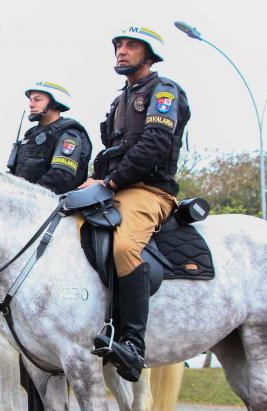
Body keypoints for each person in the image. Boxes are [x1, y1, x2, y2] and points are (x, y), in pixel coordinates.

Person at [81, 25, 191, 382]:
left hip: (149, 190)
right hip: (114, 187)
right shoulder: (119, 100)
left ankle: (132, 342)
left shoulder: (164, 91)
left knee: (125, 246)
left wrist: (111, 182)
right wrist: (95, 180)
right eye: (118, 46)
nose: (122, 51)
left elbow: (155, 145)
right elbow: (114, 149)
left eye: (131, 46)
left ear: (150, 54)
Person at [7, 81, 92, 194]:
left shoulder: (70, 133)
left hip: (52, 206)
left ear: (54, 103)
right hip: (21, 202)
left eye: (37, 100)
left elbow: (60, 178)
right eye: (30, 100)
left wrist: (26, 195)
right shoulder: (29, 136)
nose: (31, 104)